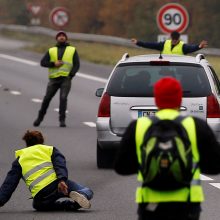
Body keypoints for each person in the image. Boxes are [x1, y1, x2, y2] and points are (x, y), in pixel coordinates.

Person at [114, 77, 220, 220]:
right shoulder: (196, 126)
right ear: (180, 98)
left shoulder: (138, 126)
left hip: (150, 203)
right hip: (187, 204)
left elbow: (121, 167)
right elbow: (215, 167)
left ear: (156, 99)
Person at [0, 130, 93, 211]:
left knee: (38, 205)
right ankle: (81, 196)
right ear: (42, 141)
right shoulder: (49, 150)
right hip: (58, 185)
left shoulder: (20, 159)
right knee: (87, 190)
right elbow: (60, 164)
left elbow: (9, 184)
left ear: (27, 143)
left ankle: (67, 205)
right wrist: (62, 180)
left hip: (41, 194)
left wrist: (0, 200)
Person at [33, 31, 80, 127]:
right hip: (54, 79)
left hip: (66, 79)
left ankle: (62, 120)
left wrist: (71, 75)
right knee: (47, 98)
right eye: (59, 36)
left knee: (63, 98)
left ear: (66, 38)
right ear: (56, 38)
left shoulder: (72, 50)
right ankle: (39, 118)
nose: (61, 37)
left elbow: (77, 64)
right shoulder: (51, 50)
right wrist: (53, 64)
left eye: (63, 36)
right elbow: (43, 62)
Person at [131, 31, 208, 55]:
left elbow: (191, 48)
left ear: (179, 38)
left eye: (176, 39)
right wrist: (138, 42)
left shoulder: (183, 46)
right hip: (164, 70)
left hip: (178, 71)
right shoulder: (164, 44)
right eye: (173, 39)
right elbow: (150, 45)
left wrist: (199, 46)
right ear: (171, 38)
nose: (174, 40)